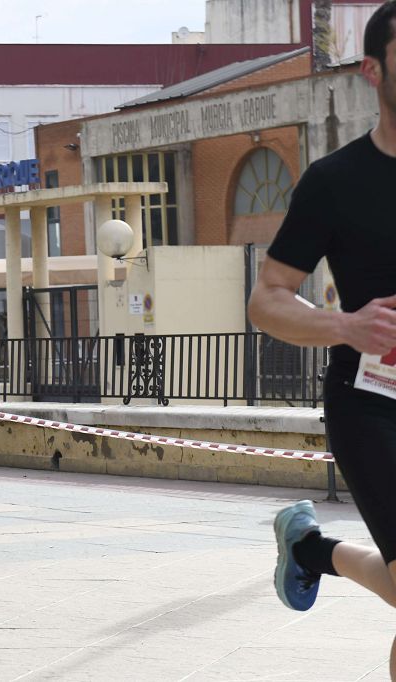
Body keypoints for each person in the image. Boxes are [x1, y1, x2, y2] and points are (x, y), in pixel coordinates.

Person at [248, 3, 396, 677]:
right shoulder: (335, 182)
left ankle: (310, 550)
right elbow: (267, 300)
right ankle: (310, 550)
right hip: (371, 404)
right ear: (374, 70)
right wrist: (345, 325)